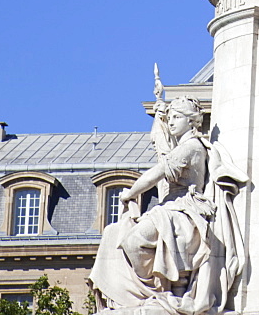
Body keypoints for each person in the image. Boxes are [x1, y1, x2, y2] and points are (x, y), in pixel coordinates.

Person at [89, 97, 247, 315]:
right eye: (169, 117)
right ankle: (148, 292)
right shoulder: (179, 146)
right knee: (112, 232)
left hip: (186, 209)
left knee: (135, 240)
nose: (170, 122)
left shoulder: (192, 146)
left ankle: (153, 291)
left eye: (176, 117)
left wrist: (131, 193)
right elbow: (162, 149)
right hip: (168, 207)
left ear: (192, 121)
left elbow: (158, 172)